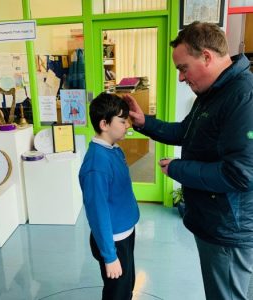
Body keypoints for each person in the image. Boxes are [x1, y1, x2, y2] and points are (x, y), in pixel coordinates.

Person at [124, 21, 253, 300]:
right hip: (214, 221)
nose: (182, 78)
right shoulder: (211, 94)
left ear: (207, 56)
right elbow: (186, 131)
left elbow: (240, 174)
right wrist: (145, 122)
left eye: (183, 68)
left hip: (229, 228)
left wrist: (178, 168)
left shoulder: (243, 97)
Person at [79, 92, 140, 300]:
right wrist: (109, 255)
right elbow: (98, 213)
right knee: (117, 293)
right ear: (104, 124)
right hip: (113, 240)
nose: (128, 125)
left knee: (126, 286)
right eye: (122, 121)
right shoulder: (97, 164)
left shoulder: (114, 149)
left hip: (126, 232)